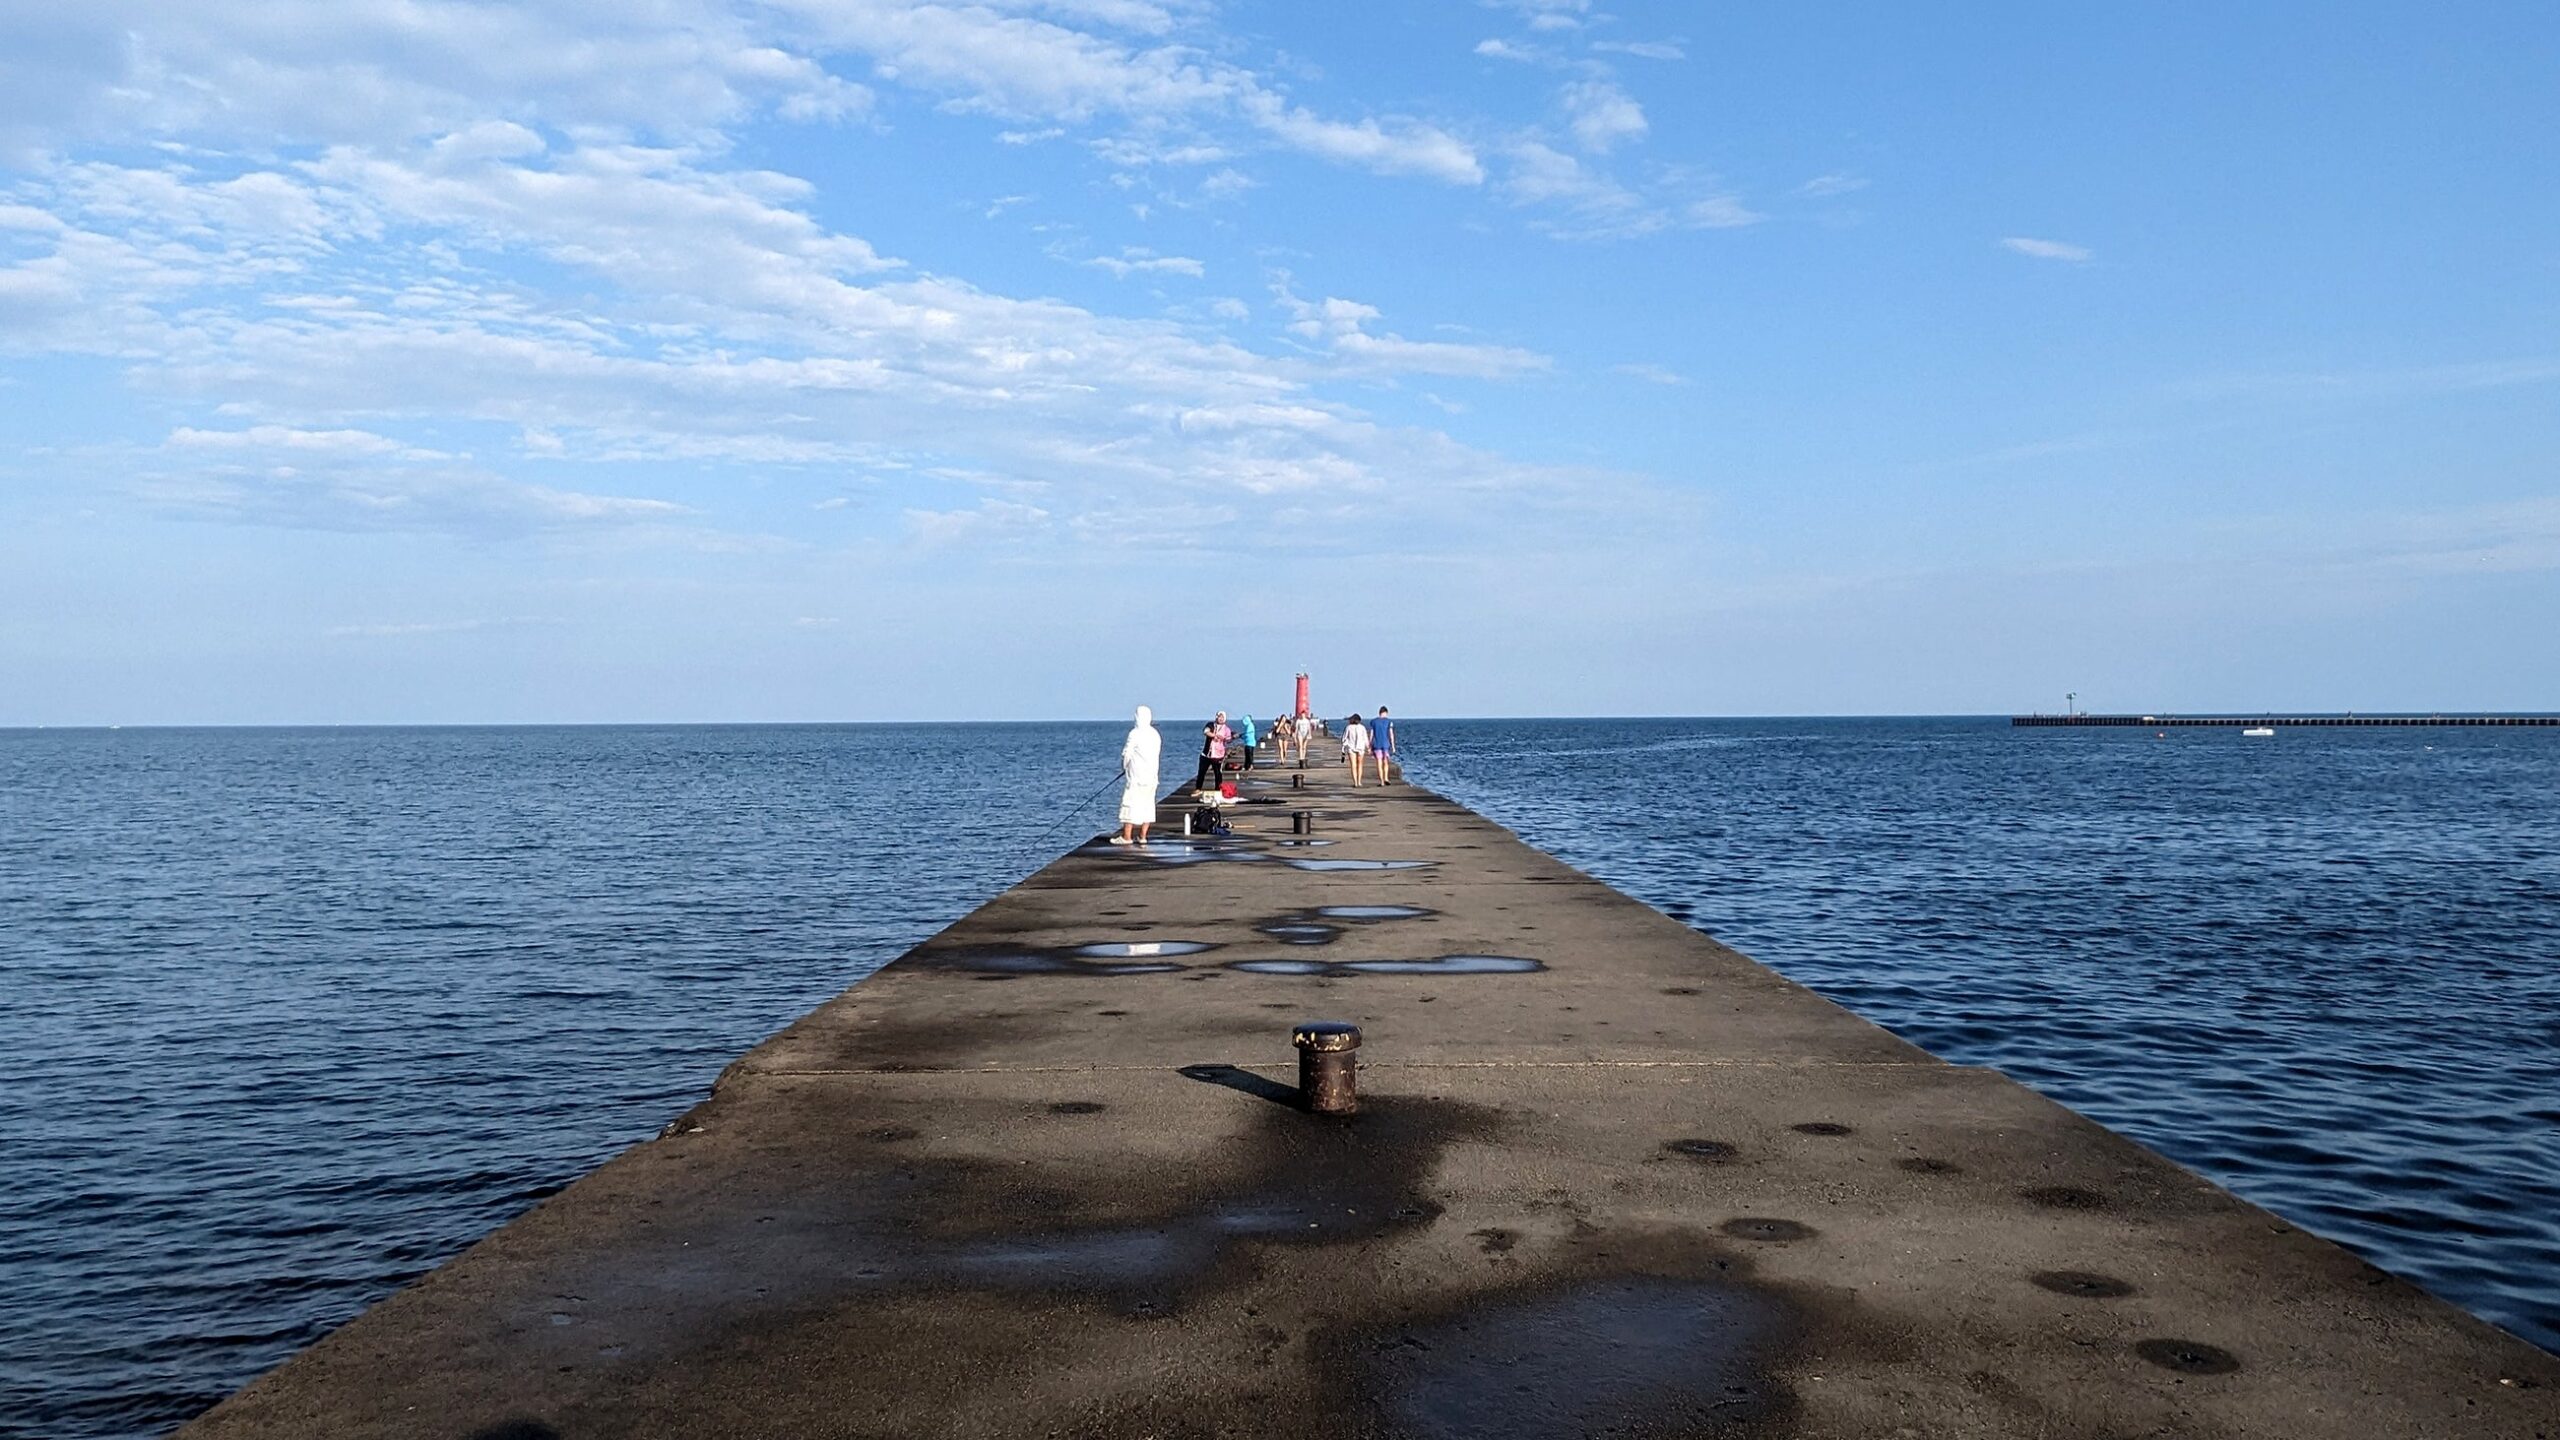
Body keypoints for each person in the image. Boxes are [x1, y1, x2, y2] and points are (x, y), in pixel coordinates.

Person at [1112, 706, 1160, 845]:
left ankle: (1127, 837)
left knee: (1130, 804)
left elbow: (1127, 754)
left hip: (1136, 777)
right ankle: (1143, 836)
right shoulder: (1155, 734)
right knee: (1148, 805)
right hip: (1152, 777)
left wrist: (1125, 767)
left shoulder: (1135, 733)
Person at [1195, 711, 1232, 792]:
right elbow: (1206, 731)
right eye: (1219, 716)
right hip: (1206, 753)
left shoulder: (1226, 729)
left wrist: (1224, 738)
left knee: (1218, 773)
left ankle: (1218, 789)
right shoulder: (1210, 724)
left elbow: (1229, 739)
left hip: (1218, 755)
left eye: (1222, 717)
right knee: (1201, 772)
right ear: (1216, 717)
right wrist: (1214, 735)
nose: (1221, 719)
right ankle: (1198, 788)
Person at [1342, 711, 1369, 786]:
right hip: (1360, 747)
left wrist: (1344, 746)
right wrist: (1368, 747)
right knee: (1360, 765)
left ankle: (1355, 782)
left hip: (1351, 748)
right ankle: (1359, 781)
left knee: (1353, 765)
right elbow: (1365, 738)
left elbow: (1344, 738)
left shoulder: (1348, 727)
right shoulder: (1362, 727)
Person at [1371, 706, 1396, 785]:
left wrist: (1369, 743)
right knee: (1385, 761)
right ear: (1386, 713)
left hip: (1377, 744)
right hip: (1386, 744)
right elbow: (1391, 734)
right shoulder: (1389, 722)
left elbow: (1371, 734)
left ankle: (1381, 781)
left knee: (1379, 762)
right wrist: (1393, 745)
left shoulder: (1373, 722)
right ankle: (1386, 778)